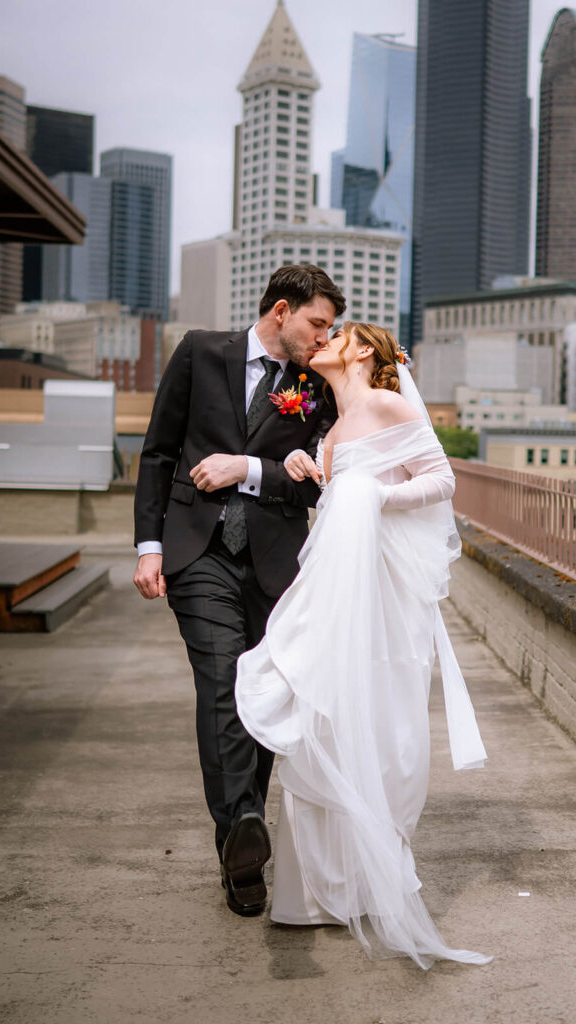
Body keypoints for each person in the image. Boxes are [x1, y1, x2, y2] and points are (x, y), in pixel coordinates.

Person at [235, 322, 491, 969]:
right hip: (337, 591)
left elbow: (438, 481)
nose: (324, 337)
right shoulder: (334, 425)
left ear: (365, 354)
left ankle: (368, 879)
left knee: (376, 725)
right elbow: (342, 503)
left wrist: (374, 494)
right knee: (325, 713)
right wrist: (311, 471)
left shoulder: (386, 404)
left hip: (382, 597)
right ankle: (315, 894)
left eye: (338, 333)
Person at [133, 265, 345, 916]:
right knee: (221, 680)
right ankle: (244, 822)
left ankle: (238, 843)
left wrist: (250, 467)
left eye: (331, 327)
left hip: (278, 561)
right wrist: (149, 545)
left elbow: (321, 483)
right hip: (198, 551)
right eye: (316, 323)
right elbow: (159, 450)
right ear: (280, 311)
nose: (323, 336)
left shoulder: (319, 384)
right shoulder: (200, 351)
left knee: (262, 694)